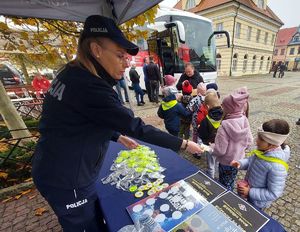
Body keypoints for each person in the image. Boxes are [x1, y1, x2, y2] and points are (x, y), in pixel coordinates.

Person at [32, 15, 203, 232]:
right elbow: (137, 127)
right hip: (67, 179)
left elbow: (83, 117)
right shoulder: (91, 87)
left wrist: (115, 135)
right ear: (96, 50)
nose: (127, 62)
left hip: (54, 166)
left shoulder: (72, 72)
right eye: (120, 55)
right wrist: (184, 144)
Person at [231, 119, 290, 209]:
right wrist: (240, 163)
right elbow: (251, 161)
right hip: (248, 190)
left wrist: (250, 192)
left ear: (272, 144)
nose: (256, 141)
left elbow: (274, 193)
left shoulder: (277, 167)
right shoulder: (262, 151)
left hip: (257, 202)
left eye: (261, 139)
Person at [211, 87, 253, 190]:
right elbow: (250, 141)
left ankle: (225, 198)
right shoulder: (244, 119)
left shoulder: (224, 126)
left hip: (225, 162)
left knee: (223, 183)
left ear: (227, 108)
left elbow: (220, 150)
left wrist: (212, 148)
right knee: (231, 180)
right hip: (238, 160)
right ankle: (229, 192)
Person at [198, 93, 222, 178]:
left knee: (210, 165)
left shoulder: (206, 120)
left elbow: (201, 135)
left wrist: (199, 128)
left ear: (208, 107)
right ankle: (217, 176)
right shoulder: (224, 116)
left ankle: (211, 180)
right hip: (221, 145)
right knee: (218, 162)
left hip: (210, 146)